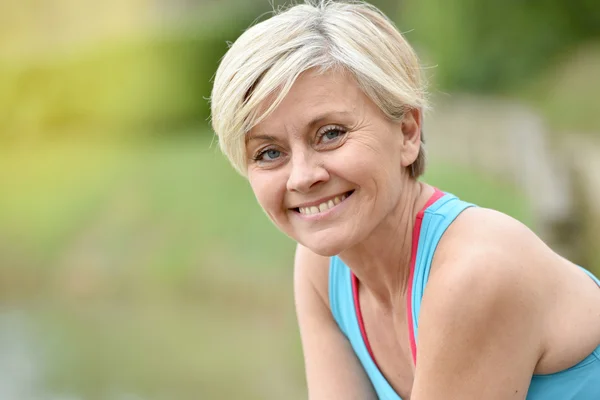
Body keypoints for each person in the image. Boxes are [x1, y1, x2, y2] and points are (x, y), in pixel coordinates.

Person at [210, 1, 600, 398]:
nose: (303, 176)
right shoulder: (323, 268)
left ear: (408, 132)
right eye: (269, 153)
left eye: (330, 133)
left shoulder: (476, 273)